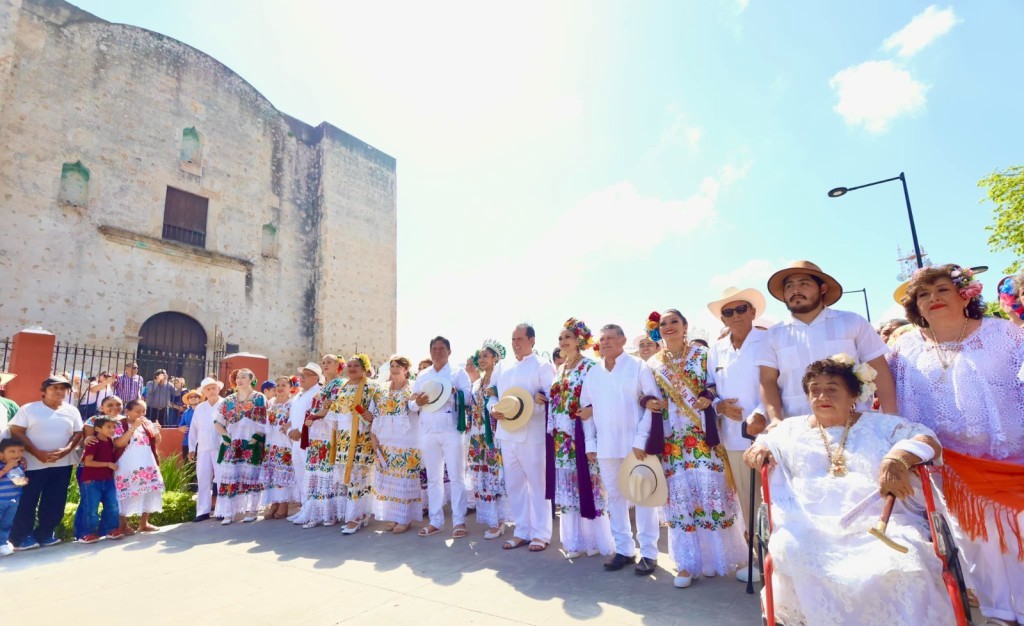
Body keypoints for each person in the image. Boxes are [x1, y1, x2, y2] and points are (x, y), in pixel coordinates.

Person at [743, 356, 953, 626]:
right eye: (814, 390)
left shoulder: (883, 425)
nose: (822, 396)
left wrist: (898, 457)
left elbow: (927, 440)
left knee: (904, 561)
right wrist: (760, 450)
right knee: (793, 550)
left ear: (853, 394)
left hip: (881, 525)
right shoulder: (789, 430)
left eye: (832, 388)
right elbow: (757, 450)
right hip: (809, 524)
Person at [888, 264, 1024, 625]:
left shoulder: (1004, 335)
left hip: (1010, 462)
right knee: (975, 541)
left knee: (1017, 536)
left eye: (942, 290)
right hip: (946, 466)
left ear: (965, 296)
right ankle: (998, 613)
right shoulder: (903, 349)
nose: (932, 299)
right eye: (923, 295)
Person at [636, 309, 746, 588]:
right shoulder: (651, 364)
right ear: (657, 330)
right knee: (682, 500)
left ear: (685, 326)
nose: (669, 326)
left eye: (675, 322)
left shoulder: (702, 355)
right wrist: (647, 401)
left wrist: (709, 396)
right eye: (664, 324)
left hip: (703, 437)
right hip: (673, 441)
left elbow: (714, 385)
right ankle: (687, 564)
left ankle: (732, 559)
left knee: (713, 493)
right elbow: (644, 394)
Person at [756, 260, 895, 428]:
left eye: (804, 283)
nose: (796, 290)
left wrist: (892, 417)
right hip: (797, 428)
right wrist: (776, 419)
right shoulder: (773, 335)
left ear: (822, 289)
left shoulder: (853, 322)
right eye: (789, 286)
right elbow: (767, 381)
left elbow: (879, 370)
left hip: (855, 425)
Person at [579, 324, 659, 574]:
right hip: (606, 446)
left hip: (636, 446)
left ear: (623, 340)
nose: (606, 342)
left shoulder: (638, 367)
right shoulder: (593, 373)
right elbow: (586, 410)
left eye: (611, 338)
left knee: (644, 496)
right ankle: (624, 549)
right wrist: (590, 443)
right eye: (602, 339)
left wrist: (641, 439)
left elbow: (652, 403)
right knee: (614, 497)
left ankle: (649, 552)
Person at [705, 287, 769, 583]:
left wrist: (762, 413)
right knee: (748, 501)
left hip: (767, 434)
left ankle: (783, 560)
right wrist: (719, 406)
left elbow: (776, 382)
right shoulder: (716, 349)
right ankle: (760, 560)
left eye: (741, 309)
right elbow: (709, 387)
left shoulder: (768, 339)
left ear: (753, 312)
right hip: (731, 437)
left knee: (774, 498)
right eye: (728, 312)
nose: (735, 316)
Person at [548, 319, 613, 559]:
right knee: (569, 488)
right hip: (562, 438)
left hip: (583, 433)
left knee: (590, 485)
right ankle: (574, 542)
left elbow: (603, 396)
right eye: (561, 338)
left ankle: (596, 541)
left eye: (568, 337)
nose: (563, 341)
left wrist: (592, 410)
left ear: (579, 340)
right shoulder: (560, 369)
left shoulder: (590, 367)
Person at [494, 324, 555, 552]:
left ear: (532, 340)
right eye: (513, 339)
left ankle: (541, 534)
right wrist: (493, 410)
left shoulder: (543, 366)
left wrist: (539, 403)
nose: (515, 343)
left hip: (533, 434)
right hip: (507, 433)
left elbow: (552, 397)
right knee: (515, 485)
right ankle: (522, 530)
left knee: (538, 485)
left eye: (520, 338)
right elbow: (493, 395)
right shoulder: (503, 366)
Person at [7, 375, 83, 550]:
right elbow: (16, 431)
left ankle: (46, 533)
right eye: (54, 388)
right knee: (27, 501)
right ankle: (21, 537)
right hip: (33, 465)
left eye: (63, 388)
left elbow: (78, 433)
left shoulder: (72, 410)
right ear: (43, 391)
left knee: (55, 501)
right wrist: (36, 453)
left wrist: (66, 450)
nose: (59, 391)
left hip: (62, 465)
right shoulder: (29, 409)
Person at [410, 337, 472, 538]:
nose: (437, 352)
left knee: (456, 476)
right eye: (434, 349)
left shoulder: (458, 372)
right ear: (430, 352)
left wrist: (454, 394)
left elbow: (469, 397)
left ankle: (459, 521)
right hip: (428, 429)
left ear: (449, 351)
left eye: (441, 348)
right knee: (433, 478)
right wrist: (417, 402)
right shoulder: (422, 375)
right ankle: (436, 521)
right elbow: (411, 404)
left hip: (451, 428)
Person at [324, 354, 379, 534]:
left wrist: (370, 417)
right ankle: (359, 514)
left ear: (364, 367)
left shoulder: (372, 387)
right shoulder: (343, 387)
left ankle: (355, 517)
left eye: (356, 365)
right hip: (343, 439)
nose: (352, 368)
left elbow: (376, 412)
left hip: (361, 439)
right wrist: (329, 406)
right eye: (349, 365)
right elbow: (336, 415)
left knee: (358, 478)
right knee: (349, 479)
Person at [370, 355, 422, 534]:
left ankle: (405, 518)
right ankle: (393, 516)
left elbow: (419, 410)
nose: (394, 368)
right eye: (392, 365)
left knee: (405, 479)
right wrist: (373, 437)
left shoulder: (414, 387)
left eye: (398, 366)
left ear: (406, 369)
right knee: (389, 480)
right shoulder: (381, 389)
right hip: (386, 441)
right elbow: (373, 415)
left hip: (408, 441)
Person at [465, 341, 510, 540]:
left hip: (493, 434)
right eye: (480, 356)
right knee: (480, 476)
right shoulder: (477, 382)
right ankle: (490, 517)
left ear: (495, 358)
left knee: (495, 474)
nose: (482, 360)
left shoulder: (501, 379)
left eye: (486, 356)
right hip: (476, 435)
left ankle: (499, 521)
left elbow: (508, 401)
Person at [295, 355, 345, 528]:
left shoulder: (340, 385)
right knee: (316, 473)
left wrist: (314, 416)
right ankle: (315, 512)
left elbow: (332, 407)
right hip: (317, 436)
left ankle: (328, 514)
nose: (325, 365)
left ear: (338, 366)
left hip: (328, 434)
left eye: (328, 362)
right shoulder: (324, 387)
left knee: (327, 472)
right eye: (323, 362)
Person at [213, 368, 268, 525]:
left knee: (251, 476)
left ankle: (252, 510)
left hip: (252, 443)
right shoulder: (229, 400)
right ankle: (228, 513)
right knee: (231, 475)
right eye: (237, 377)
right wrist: (224, 436)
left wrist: (257, 437)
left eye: (243, 377)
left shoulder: (259, 398)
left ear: (251, 379)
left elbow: (265, 420)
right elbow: (217, 420)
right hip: (233, 443)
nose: (239, 380)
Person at [115, 399, 164, 535]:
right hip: (127, 465)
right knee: (125, 493)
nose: (141, 414)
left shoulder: (147, 424)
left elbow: (157, 442)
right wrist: (133, 427)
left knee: (148, 491)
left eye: (144, 411)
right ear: (127, 412)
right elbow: (119, 443)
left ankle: (144, 523)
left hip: (147, 463)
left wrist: (157, 432)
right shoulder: (120, 424)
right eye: (137, 411)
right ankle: (123, 525)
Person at [286, 363, 323, 523]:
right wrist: (290, 431)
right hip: (296, 440)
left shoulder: (317, 394)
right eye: (301, 375)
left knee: (309, 475)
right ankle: (304, 508)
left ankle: (312, 511)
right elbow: (292, 417)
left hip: (309, 440)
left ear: (315, 378)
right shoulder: (299, 395)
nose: (301, 378)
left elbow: (316, 417)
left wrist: (301, 431)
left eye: (305, 375)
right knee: (300, 474)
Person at [77, 416, 123, 543]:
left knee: (113, 505)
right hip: (92, 480)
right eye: (108, 427)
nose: (112, 430)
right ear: (97, 428)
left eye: (114, 427)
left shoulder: (109, 441)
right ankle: (87, 533)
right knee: (91, 508)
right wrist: (108, 464)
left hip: (107, 479)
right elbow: (88, 462)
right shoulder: (93, 442)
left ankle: (110, 529)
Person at [188, 377, 224, 522]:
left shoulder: (225, 404)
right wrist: (192, 448)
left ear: (218, 389)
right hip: (203, 448)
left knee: (222, 479)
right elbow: (193, 429)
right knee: (203, 479)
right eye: (208, 389)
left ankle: (223, 510)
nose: (211, 391)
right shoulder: (200, 408)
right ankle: (202, 511)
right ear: (204, 392)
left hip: (221, 448)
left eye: (213, 388)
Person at [261, 376, 297, 519]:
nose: (280, 388)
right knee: (272, 472)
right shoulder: (270, 402)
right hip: (271, 442)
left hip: (285, 442)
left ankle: (283, 504)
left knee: (283, 472)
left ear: (290, 387)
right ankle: (274, 503)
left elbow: (295, 421)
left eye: (284, 385)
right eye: (278, 385)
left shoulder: (293, 403)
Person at [0, 437, 29, 556]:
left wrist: (24, 480)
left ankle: (2, 544)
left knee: (7, 523)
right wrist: (7, 468)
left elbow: (18, 480)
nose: (17, 454)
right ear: (1, 454)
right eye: (12, 451)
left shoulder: (19, 466)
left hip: (13, 500)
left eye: (20, 451)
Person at [177, 389, 202, 459]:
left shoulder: (204, 411)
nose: (193, 398)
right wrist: (181, 428)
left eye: (195, 396)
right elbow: (180, 426)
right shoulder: (185, 413)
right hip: (187, 443)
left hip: (201, 444)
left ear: (199, 399)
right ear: (188, 400)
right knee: (188, 467)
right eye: (191, 397)